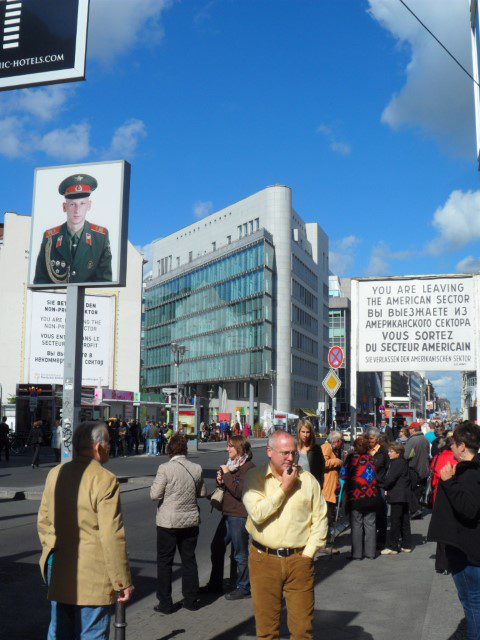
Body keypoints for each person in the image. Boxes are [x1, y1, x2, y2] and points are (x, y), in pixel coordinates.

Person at [37, 421, 133, 639]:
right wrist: (122, 581)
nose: (110, 446)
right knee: (91, 633)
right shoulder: (105, 480)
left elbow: (43, 521)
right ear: (98, 446)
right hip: (94, 575)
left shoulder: (55, 474)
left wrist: (51, 550)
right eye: (108, 441)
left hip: (59, 569)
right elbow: (111, 536)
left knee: (59, 631)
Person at [243, 430, 328, 640]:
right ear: (269, 452)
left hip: (299, 560)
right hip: (263, 560)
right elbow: (258, 514)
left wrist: (308, 554)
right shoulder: (255, 478)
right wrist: (284, 488)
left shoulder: (307, 480)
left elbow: (321, 518)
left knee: (302, 630)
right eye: (285, 453)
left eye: (293, 453)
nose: (290, 458)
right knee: (267, 631)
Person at [428, 423, 480, 640]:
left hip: (466, 550)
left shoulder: (470, 472)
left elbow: (468, 508)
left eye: (453, 445)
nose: (451, 450)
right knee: (473, 603)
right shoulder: (471, 469)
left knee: (472, 605)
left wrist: (448, 482)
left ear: (462, 446)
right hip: (466, 548)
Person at [150, 433, 207, 614]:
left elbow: (154, 494)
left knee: (165, 563)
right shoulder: (196, 468)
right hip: (190, 521)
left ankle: (165, 603)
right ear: (185, 449)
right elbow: (202, 492)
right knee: (189, 560)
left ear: (170, 449)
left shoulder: (165, 468)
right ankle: (191, 600)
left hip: (168, 522)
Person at [33, 174, 112, 285]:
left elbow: (104, 283)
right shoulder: (50, 237)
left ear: (89, 205)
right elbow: (40, 280)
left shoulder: (100, 237)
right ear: (64, 207)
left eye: (82, 204)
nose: (77, 210)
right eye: (72, 204)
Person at [204, 435, 255, 599]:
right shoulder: (231, 465)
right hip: (227, 514)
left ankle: (243, 587)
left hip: (239, 515)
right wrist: (220, 481)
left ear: (239, 448)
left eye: (230, 446)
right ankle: (215, 583)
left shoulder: (248, 467)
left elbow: (239, 492)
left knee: (240, 554)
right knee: (216, 546)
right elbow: (229, 486)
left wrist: (225, 475)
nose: (227, 449)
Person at [341, 436, 379, 560]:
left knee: (357, 524)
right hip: (372, 496)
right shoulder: (371, 459)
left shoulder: (352, 458)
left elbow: (343, 474)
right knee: (370, 524)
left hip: (356, 496)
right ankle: (371, 553)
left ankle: (357, 554)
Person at [430, 432, 458, 574]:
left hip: (438, 497)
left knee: (441, 531)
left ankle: (441, 564)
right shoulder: (457, 459)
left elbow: (434, 479)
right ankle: (452, 562)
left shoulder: (437, 458)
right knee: (454, 530)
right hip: (454, 497)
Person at [381, 443, 412, 555]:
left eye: (391, 451)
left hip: (397, 495)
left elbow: (390, 479)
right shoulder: (403, 462)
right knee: (404, 520)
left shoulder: (396, 463)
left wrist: (384, 486)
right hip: (404, 494)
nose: (389, 453)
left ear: (397, 453)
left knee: (395, 521)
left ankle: (393, 546)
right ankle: (406, 544)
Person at [367, 427, 389, 550]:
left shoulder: (383, 451)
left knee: (381, 513)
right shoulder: (365, 450)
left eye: (372, 438)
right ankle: (370, 540)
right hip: (366, 487)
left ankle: (381, 540)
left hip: (379, 485)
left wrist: (386, 486)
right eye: (369, 437)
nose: (370, 440)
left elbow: (387, 468)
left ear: (377, 439)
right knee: (369, 514)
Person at [404, 422, 431, 519]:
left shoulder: (412, 440)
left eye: (410, 429)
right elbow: (428, 453)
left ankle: (415, 510)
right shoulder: (425, 439)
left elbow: (406, 455)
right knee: (418, 490)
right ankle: (417, 510)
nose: (409, 430)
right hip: (424, 468)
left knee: (410, 490)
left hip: (413, 468)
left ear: (413, 429)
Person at [321, 431, 343, 544]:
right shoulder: (326, 447)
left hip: (331, 484)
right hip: (327, 486)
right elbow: (322, 463)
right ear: (337, 441)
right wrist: (336, 461)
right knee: (327, 512)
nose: (342, 443)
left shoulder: (332, 449)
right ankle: (325, 538)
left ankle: (327, 536)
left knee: (330, 511)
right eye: (341, 441)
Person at [296, 417, 326, 488]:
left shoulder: (316, 449)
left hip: (312, 486)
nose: (305, 435)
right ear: (299, 432)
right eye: (303, 432)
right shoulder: (293, 448)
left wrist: (320, 485)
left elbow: (321, 468)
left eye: (308, 432)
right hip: (297, 486)